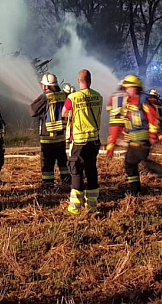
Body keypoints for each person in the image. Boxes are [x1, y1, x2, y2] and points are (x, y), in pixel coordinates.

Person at [109, 75, 162, 196]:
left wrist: (154, 135)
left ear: (136, 87)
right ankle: (135, 190)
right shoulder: (128, 101)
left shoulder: (144, 100)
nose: (126, 90)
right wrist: (122, 133)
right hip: (133, 139)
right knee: (131, 163)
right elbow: (125, 119)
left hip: (142, 139)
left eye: (128, 88)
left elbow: (153, 118)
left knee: (135, 162)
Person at [62, 69, 103, 214]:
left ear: (78, 81)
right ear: (90, 81)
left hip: (79, 141)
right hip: (94, 140)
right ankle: (92, 205)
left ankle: (75, 207)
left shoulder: (73, 97)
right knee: (91, 169)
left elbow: (64, 113)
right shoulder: (98, 96)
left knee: (76, 171)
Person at [29, 73, 69, 190]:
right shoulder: (63, 96)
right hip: (61, 136)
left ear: (46, 86)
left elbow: (32, 111)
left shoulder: (45, 97)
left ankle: (48, 184)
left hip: (48, 137)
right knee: (62, 160)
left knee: (47, 162)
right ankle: (66, 180)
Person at [106, 84, 127, 148]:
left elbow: (108, 108)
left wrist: (114, 112)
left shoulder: (112, 96)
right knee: (126, 139)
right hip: (124, 121)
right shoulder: (128, 96)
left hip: (113, 121)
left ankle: (108, 155)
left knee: (112, 140)